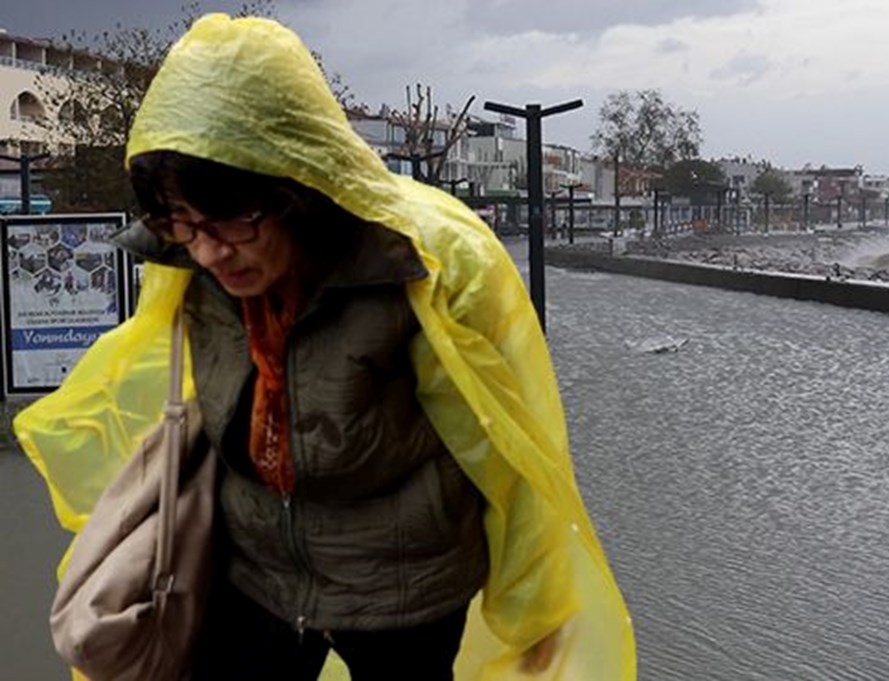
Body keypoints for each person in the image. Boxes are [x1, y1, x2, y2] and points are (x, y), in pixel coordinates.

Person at [15, 14, 635, 681]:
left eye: (234, 219)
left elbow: (503, 454)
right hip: (255, 576)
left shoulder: (416, 270)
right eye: (185, 222)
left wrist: (536, 607)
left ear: (297, 191)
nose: (210, 249)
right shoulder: (192, 268)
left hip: (404, 589)